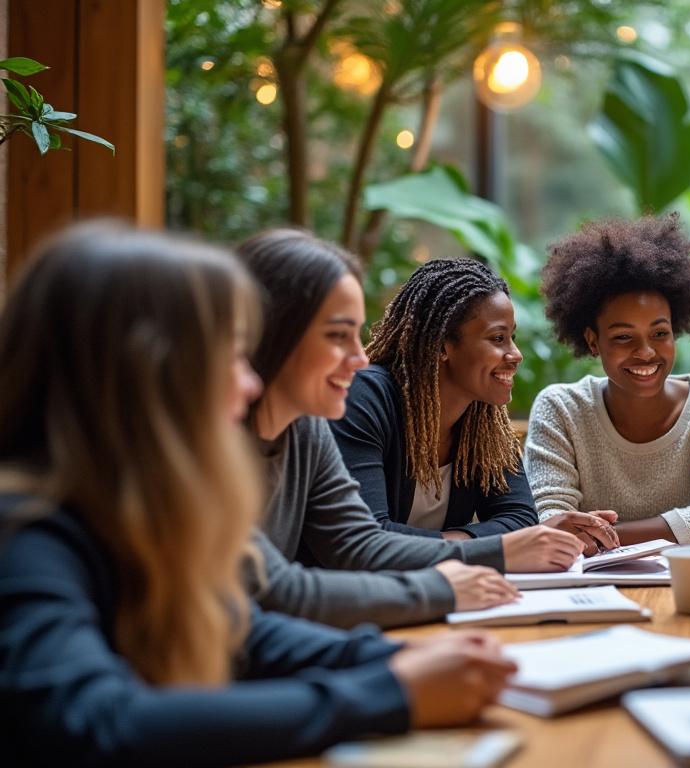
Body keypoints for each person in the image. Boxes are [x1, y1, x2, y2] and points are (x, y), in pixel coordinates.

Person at [0, 224, 515, 766]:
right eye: (232, 355)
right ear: (141, 372)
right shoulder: (25, 533)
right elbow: (94, 723)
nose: (250, 384)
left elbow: (241, 630)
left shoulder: (126, 508)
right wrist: (388, 693)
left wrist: (392, 658)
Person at [238, 229, 549, 630]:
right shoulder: (212, 441)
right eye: (337, 335)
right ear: (274, 332)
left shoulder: (307, 429)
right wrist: (469, 571)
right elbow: (285, 588)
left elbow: (357, 542)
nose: (358, 357)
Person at [331, 257, 588, 564]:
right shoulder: (365, 398)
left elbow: (520, 519)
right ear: (442, 346)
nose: (515, 354)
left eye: (512, 338)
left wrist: (457, 545)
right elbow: (368, 537)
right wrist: (479, 546)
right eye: (497, 339)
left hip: (433, 594)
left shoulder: (483, 418)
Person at [523, 214, 690, 548]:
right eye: (623, 337)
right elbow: (551, 524)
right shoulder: (561, 410)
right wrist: (677, 530)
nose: (646, 352)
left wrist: (602, 537)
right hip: (589, 595)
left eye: (660, 333)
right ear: (592, 340)